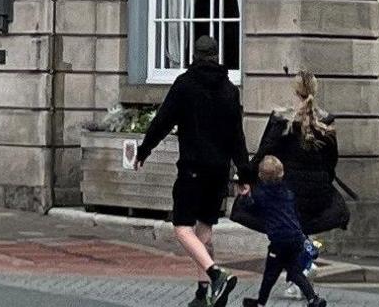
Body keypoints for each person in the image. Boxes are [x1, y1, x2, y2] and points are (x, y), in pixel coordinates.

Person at [135, 48, 249, 307]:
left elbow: (162, 121)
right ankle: (204, 293)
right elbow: (237, 136)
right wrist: (244, 173)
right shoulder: (230, 90)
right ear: (215, 57)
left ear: (195, 56)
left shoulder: (185, 85)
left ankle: (215, 274)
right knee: (204, 230)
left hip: (193, 168)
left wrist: (144, 150)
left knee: (182, 228)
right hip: (219, 171)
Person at [252, 73, 348, 245]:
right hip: (318, 195)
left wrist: (245, 176)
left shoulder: (280, 119)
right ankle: (303, 256)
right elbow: (331, 160)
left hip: (288, 192)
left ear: (294, 92)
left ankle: (294, 260)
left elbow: (264, 151)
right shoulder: (326, 121)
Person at [243, 153, 328, 307]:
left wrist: (244, 197)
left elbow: (251, 208)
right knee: (294, 270)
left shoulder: (261, 194)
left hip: (279, 240)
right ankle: (313, 299)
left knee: (270, 273)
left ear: (261, 175)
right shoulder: (288, 193)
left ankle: (260, 303)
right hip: (295, 238)